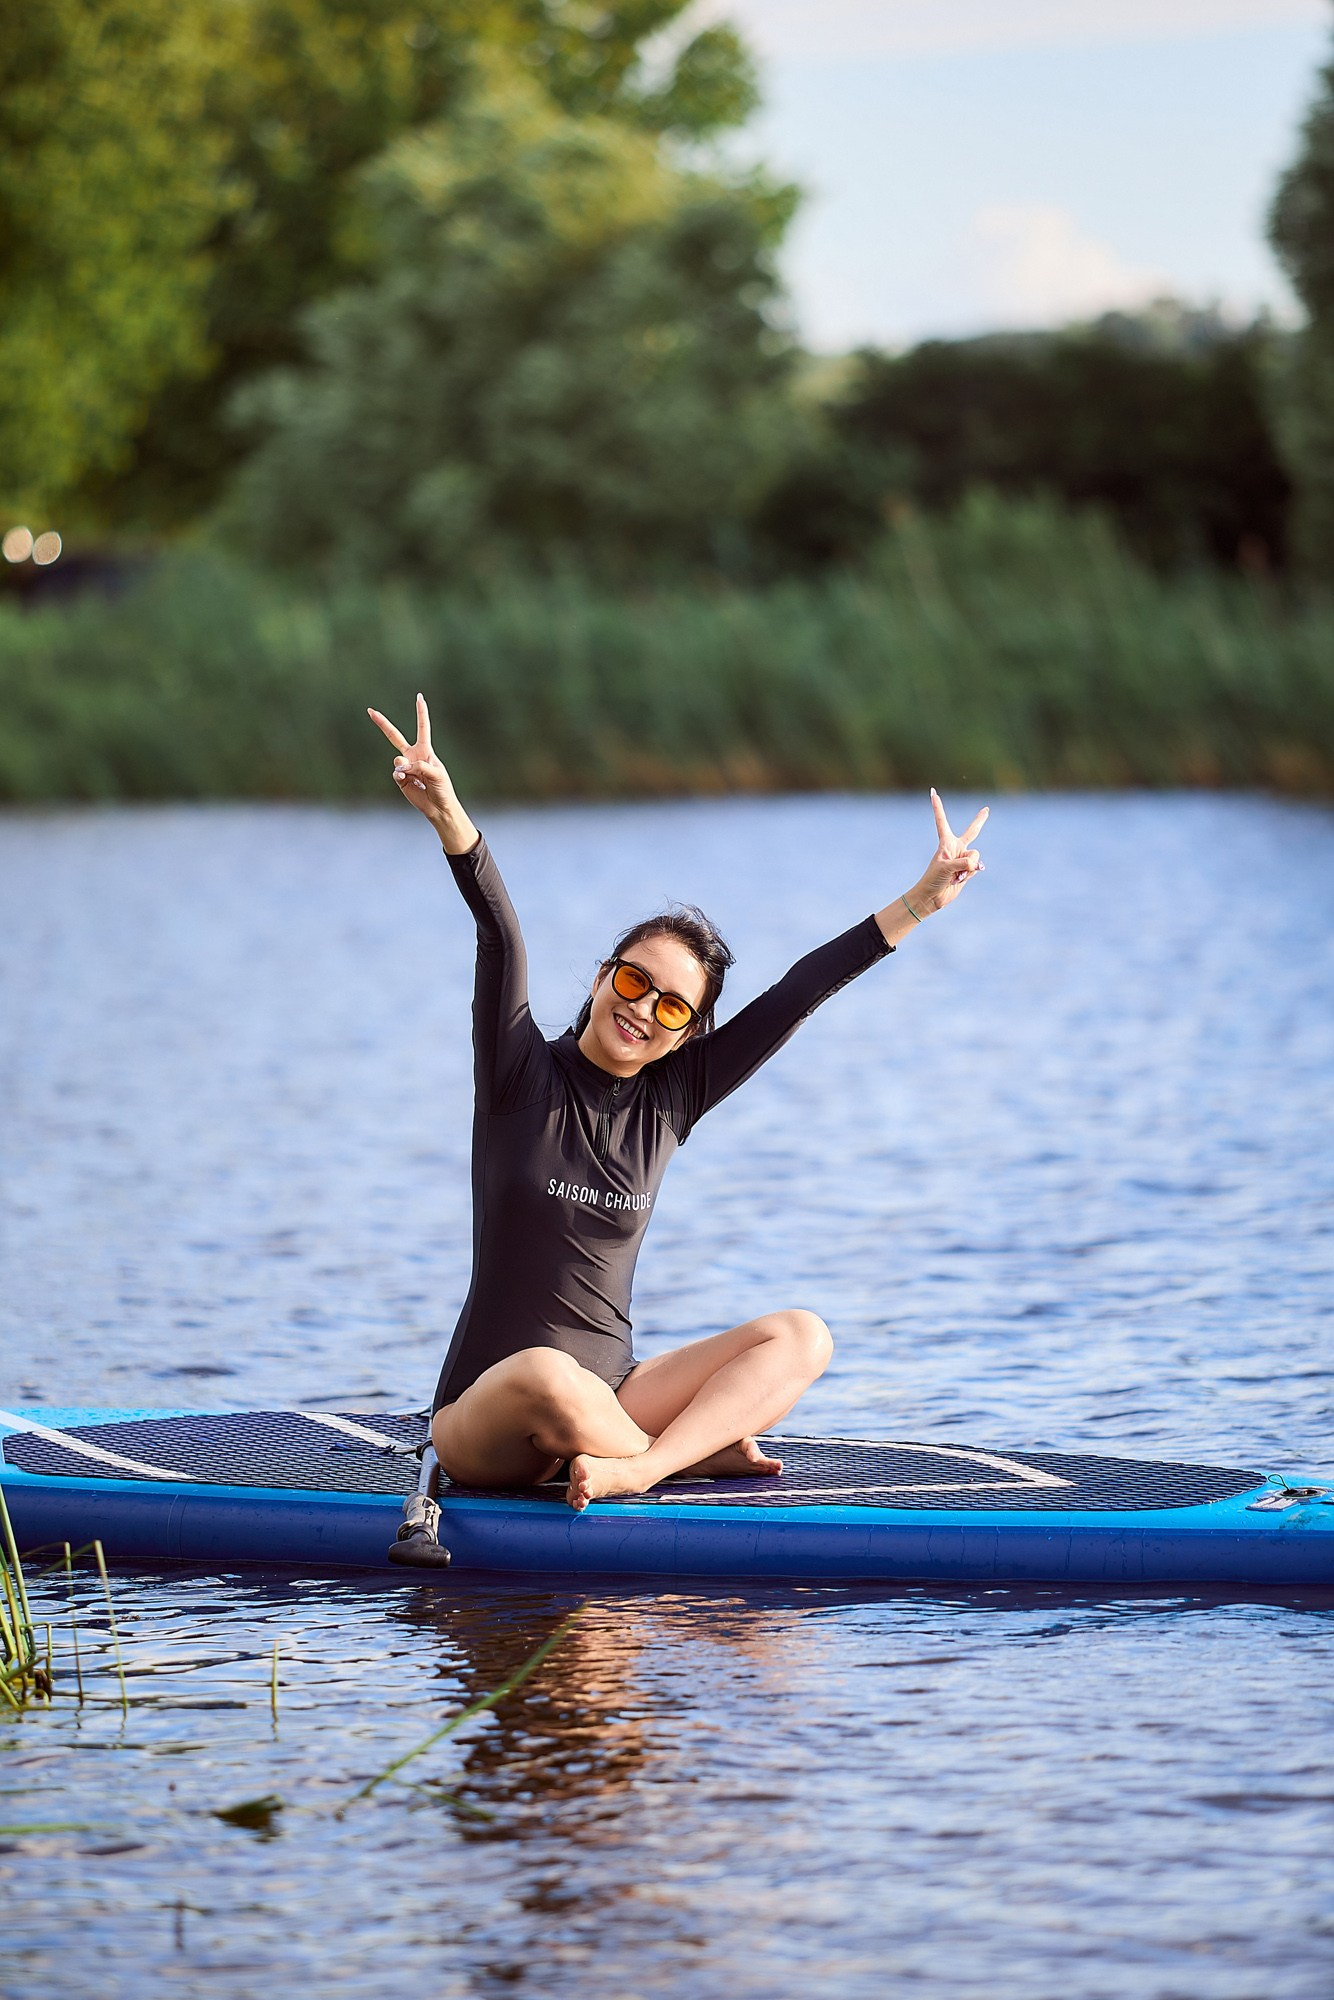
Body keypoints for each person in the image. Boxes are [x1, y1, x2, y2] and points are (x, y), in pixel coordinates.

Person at [369, 695, 987, 1511]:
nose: (642, 1009)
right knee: (550, 1377)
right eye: (632, 982)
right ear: (600, 979)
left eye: (670, 1006)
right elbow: (501, 935)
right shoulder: (520, 1072)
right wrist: (450, 813)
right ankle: (679, 1460)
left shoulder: (674, 1098)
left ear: (689, 1031)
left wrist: (921, 901)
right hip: (489, 1411)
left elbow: (797, 994)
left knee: (803, 1335)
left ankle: (641, 1461)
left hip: (616, 1391)